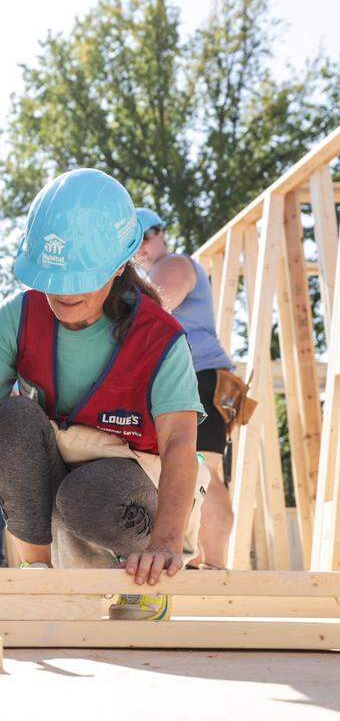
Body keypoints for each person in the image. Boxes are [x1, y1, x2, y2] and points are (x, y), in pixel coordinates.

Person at [0, 169, 208, 622]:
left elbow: (181, 444)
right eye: (52, 279)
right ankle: (38, 574)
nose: (62, 293)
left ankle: (141, 572)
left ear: (119, 267)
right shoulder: (16, 319)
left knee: (87, 495)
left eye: (79, 279)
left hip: (134, 483)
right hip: (59, 471)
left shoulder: (159, 338)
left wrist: (165, 542)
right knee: (14, 416)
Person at [134, 208, 235, 569]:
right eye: (133, 239)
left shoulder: (174, 265)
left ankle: (215, 567)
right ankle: (199, 561)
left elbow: (148, 309)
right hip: (188, 378)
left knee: (203, 468)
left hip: (200, 375)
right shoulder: (152, 270)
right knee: (190, 468)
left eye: (147, 235)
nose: (142, 245)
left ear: (161, 235)